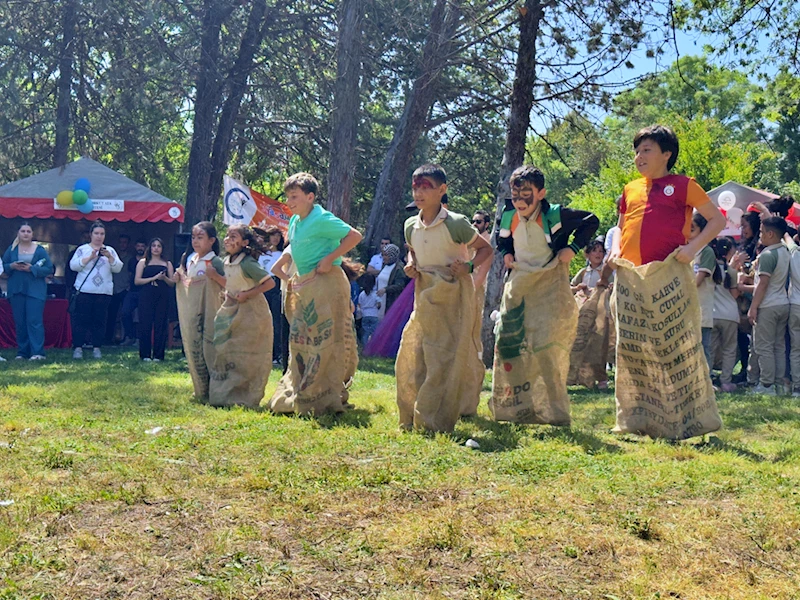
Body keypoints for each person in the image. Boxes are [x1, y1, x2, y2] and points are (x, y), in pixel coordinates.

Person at [606, 124, 725, 439]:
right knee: (632, 348)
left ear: (666, 154)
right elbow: (619, 227)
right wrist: (615, 250)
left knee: (674, 347)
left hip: (668, 277)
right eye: (637, 150)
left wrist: (691, 249)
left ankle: (685, 419)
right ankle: (636, 419)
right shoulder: (630, 189)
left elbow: (717, 219)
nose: (639, 156)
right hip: (631, 277)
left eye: (646, 150)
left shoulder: (684, 185)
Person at [491, 165, 599, 424]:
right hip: (520, 283)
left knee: (544, 343)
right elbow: (502, 239)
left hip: (550, 283)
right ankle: (512, 406)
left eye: (525, 195)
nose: (519, 201)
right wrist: (506, 253)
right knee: (508, 340)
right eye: (515, 195)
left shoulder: (555, 214)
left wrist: (572, 248)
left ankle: (552, 409)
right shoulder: (508, 215)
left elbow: (591, 220)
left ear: (541, 193)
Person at [395, 163, 492, 432]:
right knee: (416, 352)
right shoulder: (410, 225)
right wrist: (410, 264)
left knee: (446, 355)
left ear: (442, 190)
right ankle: (413, 412)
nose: (419, 193)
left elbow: (485, 250)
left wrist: (469, 268)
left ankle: (437, 415)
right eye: (416, 187)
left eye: (426, 186)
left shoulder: (456, 223)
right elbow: (413, 251)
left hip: (453, 293)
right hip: (424, 293)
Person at [267, 173, 362, 415]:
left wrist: (330, 258)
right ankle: (302, 390)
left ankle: (325, 395)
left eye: (295, 196)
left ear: (310, 197)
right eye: (288, 196)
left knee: (327, 340)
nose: (289, 201)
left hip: (329, 285)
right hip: (308, 287)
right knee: (302, 340)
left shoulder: (321, 218)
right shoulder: (295, 221)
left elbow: (354, 236)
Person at [211, 224, 275, 408]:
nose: (228, 239)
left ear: (245, 242)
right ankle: (227, 391)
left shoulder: (247, 263)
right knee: (228, 349)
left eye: (234, 236)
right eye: (228, 236)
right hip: (232, 308)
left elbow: (269, 283)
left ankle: (247, 395)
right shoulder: (227, 261)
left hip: (251, 312)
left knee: (248, 353)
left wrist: (247, 294)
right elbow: (231, 282)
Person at [174, 222, 226, 401]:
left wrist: (215, 277)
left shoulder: (216, 261)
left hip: (212, 311)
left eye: (200, 237)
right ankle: (200, 388)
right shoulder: (189, 259)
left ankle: (216, 389)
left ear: (211, 240)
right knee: (194, 346)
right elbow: (184, 276)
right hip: (193, 312)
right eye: (193, 237)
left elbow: (228, 285)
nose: (195, 241)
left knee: (210, 347)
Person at [746, 216, 790, 395]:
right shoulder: (786, 252)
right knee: (778, 346)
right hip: (783, 303)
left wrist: (753, 307)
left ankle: (766, 385)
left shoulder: (767, 254)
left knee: (763, 346)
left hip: (768, 305)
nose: (760, 236)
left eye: (762, 232)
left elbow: (762, 284)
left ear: (771, 234)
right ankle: (779, 384)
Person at [69, 220, 123, 359]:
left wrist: (110, 257)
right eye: (96, 233)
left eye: (102, 234)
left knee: (100, 321)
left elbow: (118, 268)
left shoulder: (110, 250)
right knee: (81, 320)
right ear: (91, 234)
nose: (99, 236)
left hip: (103, 292)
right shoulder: (82, 249)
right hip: (85, 291)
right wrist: (89, 258)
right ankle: (78, 347)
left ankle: (97, 347)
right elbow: (73, 266)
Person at [2, 222, 54, 360]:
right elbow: (3, 267)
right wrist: (12, 266)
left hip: (35, 291)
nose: (25, 233)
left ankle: (37, 352)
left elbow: (49, 268)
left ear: (32, 234)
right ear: (18, 233)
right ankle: (22, 352)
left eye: (28, 231)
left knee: (34, 321)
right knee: (20, 322)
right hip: (16, 290)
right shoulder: (12, 249)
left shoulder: (40, 250)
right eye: (23, 231)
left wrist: (32, 268)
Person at [134, 238, 175, 362]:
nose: (156, 248)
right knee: (145, 324)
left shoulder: (167, 263)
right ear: (150, 248)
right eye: (153, 246)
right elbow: (137, 281)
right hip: (146, 295)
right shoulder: (143, 262)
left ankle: (158, 355)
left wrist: (163, 279)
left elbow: (172, 283)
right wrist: (153, 278)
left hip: (162, 296)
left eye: (159, 246)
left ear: (162, 249)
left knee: (160, 325)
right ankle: (145, 354)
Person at [690, 213, 723, 369]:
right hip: (687, 309)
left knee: (702, 347)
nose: (688, 232)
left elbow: (697, 281)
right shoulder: (687, 251)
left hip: (701, 309)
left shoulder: (706, 252)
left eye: (692, 228)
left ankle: (706, 382)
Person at [711, 237, 740, 393]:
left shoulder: (710, 270)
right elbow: (735, 294)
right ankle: (726, 381)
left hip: (712, 314)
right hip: (730, 314)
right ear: (729, 252)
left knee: (710, 349)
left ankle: (708, 379)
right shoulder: (731, 271)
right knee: (729, 349)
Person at [258, 227, 286, 366]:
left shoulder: (282, 254)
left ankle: (278, 353)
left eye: (278, 236)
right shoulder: (263, 255)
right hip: (263, 286)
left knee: (276, 321)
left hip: (277, 286)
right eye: (273, 235)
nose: (275, 239)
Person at [106, 233, 132, 345]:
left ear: (128, 244)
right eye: (121, 242)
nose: (122, 245)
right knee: (110, 315)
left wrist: (128, 287)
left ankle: (127, 337)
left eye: (125, 242)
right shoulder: (112, 257)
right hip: (113, 289)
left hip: (125, 289)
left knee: (126, 314)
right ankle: (108, 338)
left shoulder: (131, 258)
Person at [121, 239, 147, 346]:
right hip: (132, 291)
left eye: (142, 246)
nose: (140, 248)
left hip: (144, 291)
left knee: (142, 316)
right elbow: (130, 274)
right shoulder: (131, 261)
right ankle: (129, 336)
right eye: (138, 246)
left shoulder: (148, 261)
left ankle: (139, 339)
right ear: (135, 247)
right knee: (125, 312)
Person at [375, 243, 408, 317]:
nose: (383, 257)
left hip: (391, 302)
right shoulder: (384, 265)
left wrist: (386, 289)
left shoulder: (399, 268)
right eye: (383, 255)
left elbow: (400, 285)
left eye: (386, 255)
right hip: (381, 301)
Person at [357, 273, 380, 345]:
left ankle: (365, 347)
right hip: (374, 315)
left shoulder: (362, 294)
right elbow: (379, 304)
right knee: (374, 332)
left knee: (365, 332)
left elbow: (359, 305)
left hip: (365, 315)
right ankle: (373, 346)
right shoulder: (376, 293)